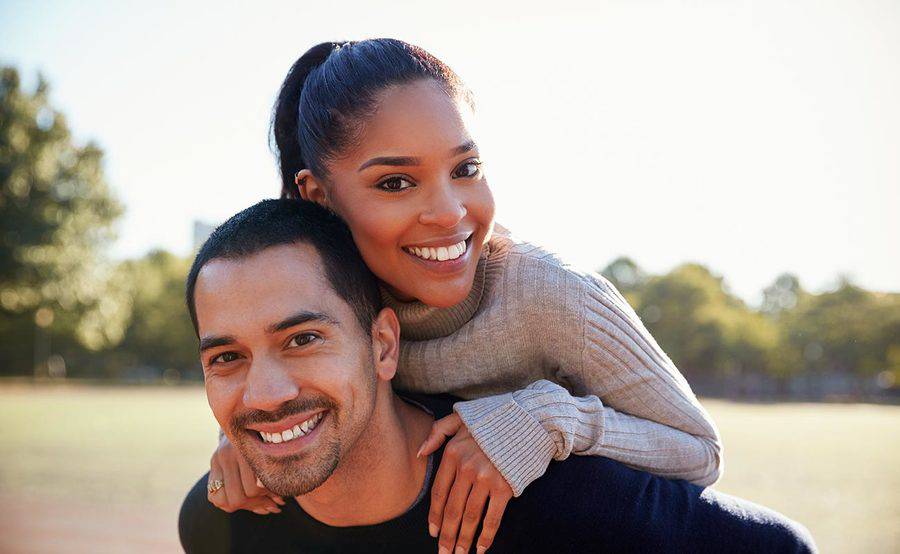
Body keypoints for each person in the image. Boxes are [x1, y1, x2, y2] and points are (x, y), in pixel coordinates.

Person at [210, 38, 725, 553]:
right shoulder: (323, 301)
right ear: (319, 196)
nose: (449, 212)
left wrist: (548, 419)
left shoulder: (551, 296)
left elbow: (699, 452)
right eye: (395, 183)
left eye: (465, 170)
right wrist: (244, 442)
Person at [179, 199, 815, 554]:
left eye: (303, 339)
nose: (264, 394)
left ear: (382, 344)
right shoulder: (220, 526)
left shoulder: (562, 506)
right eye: (226, 358)